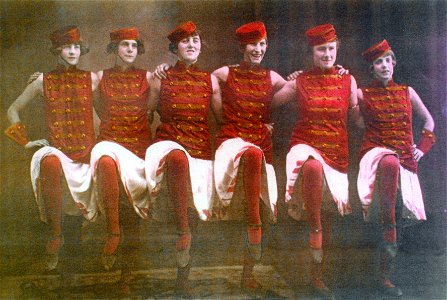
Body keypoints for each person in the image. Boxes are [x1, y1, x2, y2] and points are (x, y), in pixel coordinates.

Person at [272, 24, 361, 298]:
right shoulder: (300, 81)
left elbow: (358, 118)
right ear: (311, 52)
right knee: (311, 171)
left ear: (337, 49)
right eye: (321, 49)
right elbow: (268, 102)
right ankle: (315, 275)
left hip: (336, 152)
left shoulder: (349, 80)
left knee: (329, 213)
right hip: (305, 147)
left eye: (331, 48)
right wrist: (283, 84)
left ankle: (319, 273)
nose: (327, 54)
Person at [5, 26, 99, 274]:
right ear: (57, 51)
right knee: (60, 201)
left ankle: (73, 260)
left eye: (76, 47)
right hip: (59, 153)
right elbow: (12, 109)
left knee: (77, 208)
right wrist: (24, 141)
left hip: (87, 153)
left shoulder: (93, 78)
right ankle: (58, 245)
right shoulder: (42, 80)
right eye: (67, 47)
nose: (72, 51)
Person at [145, 21, 221, 297]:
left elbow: (223, 118)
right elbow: (146, 112)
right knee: (177, 159)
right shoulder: (161, 77)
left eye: (196, 41)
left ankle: (183, 273)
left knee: (195, 204)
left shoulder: (210, 80)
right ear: (174, 49)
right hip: (168, 144)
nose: (192, 46)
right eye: (186, 42)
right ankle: (182, 234)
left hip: (200, 148)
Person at [211, 21, 287, 295]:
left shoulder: (273, 78)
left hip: (260, 145)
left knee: (264, 204)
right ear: (243, 47)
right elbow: (211, 100)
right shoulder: (222, 74)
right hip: (232, 143)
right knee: (249, 209)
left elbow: (298, 88)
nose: (258, 49)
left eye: (263, 44)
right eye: (253, 44)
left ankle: (248, 273)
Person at [357, 39, 435, 297]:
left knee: (399, 217)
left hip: (405, 161)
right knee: (386, 215)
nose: (384, 66)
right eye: (378, 62)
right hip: (378, 159)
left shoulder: (407, 91)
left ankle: (385, 275)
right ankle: (380, 277)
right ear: (372, 69)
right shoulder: (362, 94)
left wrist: (422, 147)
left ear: (393, 63)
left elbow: (429, 120)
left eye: (387, 60)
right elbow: (347, 109)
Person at [89, 27, 152, 293]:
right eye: (124, 45)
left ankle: (126, 277)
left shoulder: (149, 77)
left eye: (134, 46)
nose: (129, 50)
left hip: (138, 149)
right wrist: (42, 79)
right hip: (110, 147)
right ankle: (111, 234)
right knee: (114, 207)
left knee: (132, 214)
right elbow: (70, 91)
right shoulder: (98, 77)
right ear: (114, 49)